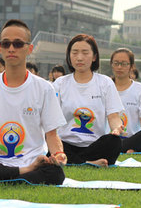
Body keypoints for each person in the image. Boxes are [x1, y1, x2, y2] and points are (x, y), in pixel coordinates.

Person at [0, 19, 67, 185]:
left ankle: (11, 176)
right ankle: (22, 174)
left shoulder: (44, 88)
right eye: (6, 44)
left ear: (29, 49)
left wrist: (58, 154)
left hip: (35, 161)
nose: (11, 49)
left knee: (55, 173)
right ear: (0, 48)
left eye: (18, 44)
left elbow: (51, 134)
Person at [53, 34, 123, 167]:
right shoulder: (60, 83)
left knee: (114, 142)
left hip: (94, 145)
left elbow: (114, 116)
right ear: (69, 56)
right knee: (51, 143)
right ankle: (87, 162)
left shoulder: (105, 83)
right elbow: (52, 118)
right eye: (74, 53)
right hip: (66, 144)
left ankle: (75, 161)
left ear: (94, 56)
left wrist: (116, 129)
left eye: (85, 53)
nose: (79, 57)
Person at [110, 48, 141, 153]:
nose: (119, 67)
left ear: (131, 66)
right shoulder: (105, 87)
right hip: (110, 138)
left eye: (124, 64)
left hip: (131, 138)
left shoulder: (140, 89)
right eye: (116, 63)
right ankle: (128, 149)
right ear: (112, 65)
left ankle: (127, 148)